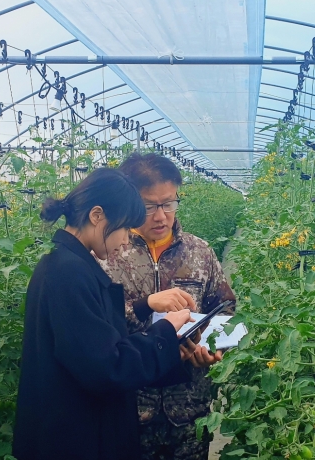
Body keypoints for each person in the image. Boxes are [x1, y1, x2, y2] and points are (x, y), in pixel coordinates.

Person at [12, 168, 197, 460]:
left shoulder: (67, 264)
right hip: (77, 439)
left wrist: (151, 318)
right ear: (97, 215)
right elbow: (107, 367)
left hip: (71, 430)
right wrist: (166, 332)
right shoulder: (67, 273)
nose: (126, 241)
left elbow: (95, 342)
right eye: (124, 229)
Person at [101, 153, 237, 460]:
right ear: (129, 203)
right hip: (130, 410)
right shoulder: (108, 255)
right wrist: (143, 306)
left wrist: (212, 347)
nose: (161, 216)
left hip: (189, 410)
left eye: (169, 203)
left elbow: (225, 307)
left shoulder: (199, 252)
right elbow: (97, 325)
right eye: (149, 206)